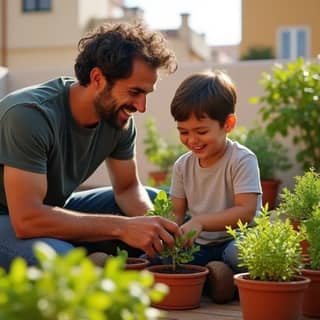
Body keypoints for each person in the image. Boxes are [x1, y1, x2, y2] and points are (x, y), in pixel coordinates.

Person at [0, 22, 180, 271]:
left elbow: (128, 189)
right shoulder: (29, 115)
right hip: (13, 217)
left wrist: (159, 231)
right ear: (97, 78)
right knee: (60, 259)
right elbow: (27, 219)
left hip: (48, 210)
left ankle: (175, 263)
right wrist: (122, 228)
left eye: (146, 94)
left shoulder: (118, 120)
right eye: (135, 92)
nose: (141, 106)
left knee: (158, 201)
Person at [169, 70, 262, 303]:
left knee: (238, 254)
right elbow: (176, 213)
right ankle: (219, 279)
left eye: (201, 131)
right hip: (200, 246)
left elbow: (246, 210)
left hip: (236, 239)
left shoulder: (241, 159)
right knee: (163, 256)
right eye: (183, 132)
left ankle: (220, 278)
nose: (192, 140)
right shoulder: (182, 166)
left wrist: (200, 222)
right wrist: (170, 239)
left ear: (228, 124)